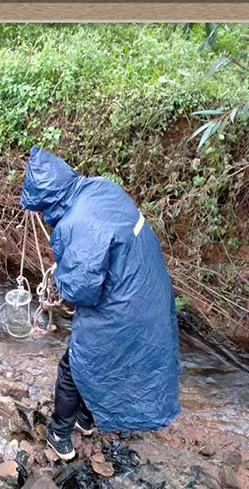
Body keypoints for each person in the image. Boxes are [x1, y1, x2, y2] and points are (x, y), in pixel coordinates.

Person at [20, 146, 182, 461]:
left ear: (49, 199)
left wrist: (61, 278)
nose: (42, 215)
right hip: (150, 291)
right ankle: (87, 419)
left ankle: (59, 434)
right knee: (108, 361)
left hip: (122, 307)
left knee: (76, 364)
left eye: (41, 208)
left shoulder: (75, 222)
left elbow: (81, 291)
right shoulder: (102, 188)